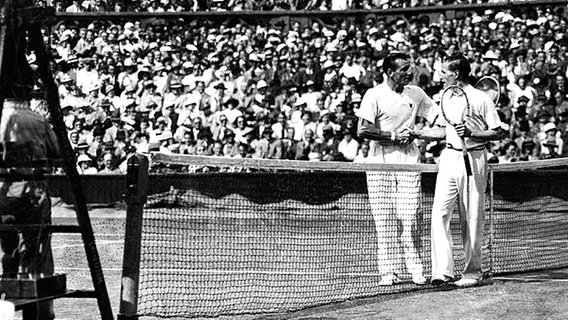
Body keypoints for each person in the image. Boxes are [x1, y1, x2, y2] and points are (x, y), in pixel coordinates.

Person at [417, 54, 505, 287]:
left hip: (474, 158)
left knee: (472, 217)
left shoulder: (481, 98)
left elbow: (498, 132)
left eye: (444, 72)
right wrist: (416, 133)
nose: (441, 75)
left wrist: (473, 133)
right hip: (448, 157)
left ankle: (472, 272)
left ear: (455, 74)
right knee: (439, 213)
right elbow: (442, 131)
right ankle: (442, 271)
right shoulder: (444, 97)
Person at [356, 52, 437, 286]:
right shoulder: (374, 95)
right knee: (383, 219)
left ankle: (416, 269)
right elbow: (363, 130)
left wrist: (420, 133)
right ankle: (388, 271)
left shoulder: (417, 93)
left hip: (409, 160)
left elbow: (438, 118)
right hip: (379, 161)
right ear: (390, 72)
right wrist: (393, 135)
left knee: (410, 217)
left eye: (410, 68)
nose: (410, 73)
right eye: (404, 69)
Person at [0, 99, 61, 320]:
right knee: (34, 256)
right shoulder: (39, 120)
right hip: (33, 196)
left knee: (8, 254)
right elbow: (57, 153)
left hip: (5, 196)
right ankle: (35, 313)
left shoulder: (2, 119)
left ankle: (6, 309)